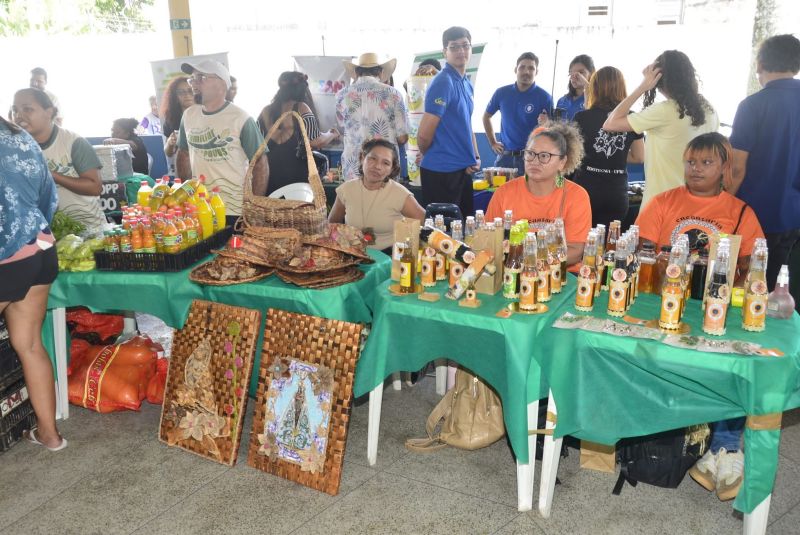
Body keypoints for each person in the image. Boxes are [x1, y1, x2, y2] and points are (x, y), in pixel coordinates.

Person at [635, 132, 764, 502]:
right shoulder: (663, 202)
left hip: (714, 309)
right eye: (691, 161)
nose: (696, 169)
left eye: (706, 163)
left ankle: (725, 446)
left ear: (725, 167)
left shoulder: (740, 212)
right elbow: (644, 253)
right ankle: (687, 437)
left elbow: (750, 269)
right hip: (665, 305)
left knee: (734, 360)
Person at [0, 116, 66, 452]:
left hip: (5, 252)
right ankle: (50, 435)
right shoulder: (20, 136)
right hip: (39, 245)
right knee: (29, 345)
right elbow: (47, 195)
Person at [603, 50, 719, 208]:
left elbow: (610, 123)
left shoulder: (665, 111)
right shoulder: (710, 110)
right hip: (696, 203)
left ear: (659, 80)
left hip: (661, 205)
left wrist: (643, 86)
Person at [730, 34, 800, 291]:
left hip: (753, 212)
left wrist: (723, 203)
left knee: (741, 286)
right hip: (793, 213)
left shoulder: (752, 105)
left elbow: (737, 168)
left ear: (759, 64)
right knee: (773, 286)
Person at [486, 122, 590, 269]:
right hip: (512, 274)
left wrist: (526, 257)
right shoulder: (504, 192)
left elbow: (575, 252)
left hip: (561, 276)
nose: (535, 161)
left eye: (544, 156)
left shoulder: (576, 196)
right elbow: (488, 240)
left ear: (562, 162)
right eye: (530, 153)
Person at [177, 60, 267, 220]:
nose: (193, 84)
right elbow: (183, 154)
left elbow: (260, 163)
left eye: (201, 77)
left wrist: (254, 206)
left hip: (234, 210)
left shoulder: (240, 118)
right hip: (200, 207)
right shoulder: (189, 115)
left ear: (222, 84)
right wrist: (186, 195)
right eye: (192, 79)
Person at [12, 88, 105, 232]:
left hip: (87, 229)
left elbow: (95, 187)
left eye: (27, 109)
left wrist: (50, 175)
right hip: (44, 233)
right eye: (15, 110)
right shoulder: (14, 147)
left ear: (49, 112)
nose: (19, 116)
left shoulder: (73, 142)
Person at [418, 26, 480, 218]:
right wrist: (435, 155)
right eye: (454, 47)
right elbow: (423, 135)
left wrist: (474, 157)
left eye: (465, 45)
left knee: (463, 233)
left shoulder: (465, 82)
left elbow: (466, 125)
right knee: (442, 239)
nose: (461, 51)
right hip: (441, 174)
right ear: (445, 52)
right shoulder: (443, 82)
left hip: (461, 171)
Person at [573, 66, 645, 229]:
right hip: (615, 192)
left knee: (583, 240)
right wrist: (617, 155)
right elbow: (639, 157)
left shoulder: (582, 117)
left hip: (586, 189)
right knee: (610, 244)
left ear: (595, 88)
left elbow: (573, 154)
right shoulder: (633, 118)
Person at [328, 139, 425, 252]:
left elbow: (426, 222)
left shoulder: (400, 194)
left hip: (389, 259)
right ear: (362, 158)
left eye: (386, 163)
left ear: (391, 169)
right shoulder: (346, 190)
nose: (378, 166)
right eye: (372, 159)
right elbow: (332, 225)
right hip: (353, 256)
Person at [257, 71, 339, 196]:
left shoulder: (266, 111)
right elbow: (316, 141)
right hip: (296, 179)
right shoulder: (301, 107)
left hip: (269, 175)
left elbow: (257, 144)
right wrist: (331, 134)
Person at [335, 53, 409, 180]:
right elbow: (402, 138)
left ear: (357, 73)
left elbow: (342, 127)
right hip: (383, 166)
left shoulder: (341, 95)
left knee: (354, 199)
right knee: (385, 199)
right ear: (380, 72)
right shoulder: (394, 94)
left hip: (353, 165)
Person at [483, 52, 553, 176]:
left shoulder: (545, 97)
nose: (526, 71)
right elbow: (486, 117)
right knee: (500, 194)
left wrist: (547, 124)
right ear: (516, 69)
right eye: (522, 67)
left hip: (531, 159)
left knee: (528, 195)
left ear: (536, 72)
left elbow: (553, 130)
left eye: (531, 68)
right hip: (505, 158)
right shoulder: (501, 93)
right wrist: (493, 142)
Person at [160, 76, 195, 175]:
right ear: (174, 96)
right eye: (181, 92)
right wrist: (170, 143)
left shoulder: (206, 113)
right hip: (183, 169)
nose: (187, 95)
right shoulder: (171, 119)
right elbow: (168, 153)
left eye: (190, 90)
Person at [555, 55, 595, 121]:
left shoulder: (597, 100)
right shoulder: (562, 101)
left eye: (581, 72)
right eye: (571, 73)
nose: (575, 76)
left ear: (592, 73)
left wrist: (587, 86)